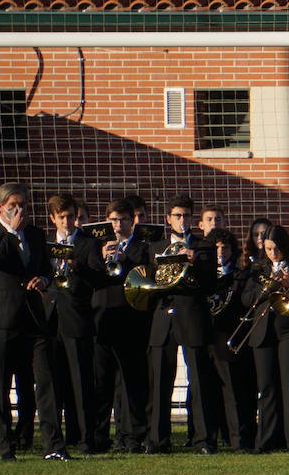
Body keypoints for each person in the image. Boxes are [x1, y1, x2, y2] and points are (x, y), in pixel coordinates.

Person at [0, 182, 69, 461]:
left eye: (23, 205)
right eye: (13, 205)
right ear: (1, 207)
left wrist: (44, 280)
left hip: (34, 318)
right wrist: (11, 232)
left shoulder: (35, 235)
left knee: (46, 379)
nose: (19, 210)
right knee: (0, 385)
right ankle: (4, 446)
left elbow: (46, 270)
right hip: (2, 318)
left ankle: (54, 446)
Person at [145, 195, 220, 454]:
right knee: (160, 383)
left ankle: (204, 440)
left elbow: (211, 284)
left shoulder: (205, 248)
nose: (182, 220)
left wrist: (194, 260)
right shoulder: (156, 248)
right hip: (164, 318)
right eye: (177, 216)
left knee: (200, 381)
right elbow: (148, 285)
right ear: (168, 219)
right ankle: (157, 441)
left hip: (192, 318)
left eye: (186, 216)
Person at [240, 224, 289, 453]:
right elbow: (246, 299)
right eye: (269, 249)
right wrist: (268, 287)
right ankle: (265, 442)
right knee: (266, 387)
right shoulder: (258, 267)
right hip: (264, 330)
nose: (273, 254)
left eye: (276, 249)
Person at [45, 192, 106, 454]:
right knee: (55, 381)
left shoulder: (87, 243)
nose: (67, 222)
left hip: (77, 318)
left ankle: (85, 438)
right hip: (50, 320)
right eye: (62, 218)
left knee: (81, 381)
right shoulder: (46, 244)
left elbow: (99, 278)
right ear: (53, 219)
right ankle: (59, 438)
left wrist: (77, 266)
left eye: (70, 217)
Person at [91, 198, 152, 453]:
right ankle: (99, 437)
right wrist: (102, 256)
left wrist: (123, 257)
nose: (118, 224)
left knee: (131, 383)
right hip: (103, 320)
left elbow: (144, 274)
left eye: (123, 219)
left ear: (132, 221)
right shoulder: (97, 246)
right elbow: (90, 275)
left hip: (130, 321)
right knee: (102, 383)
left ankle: (132, 437)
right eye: (114, 220)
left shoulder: (141, 248)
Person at [203, 228, 257, 453]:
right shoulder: (203, 274)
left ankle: (238, 440)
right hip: (205, 336)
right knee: (206, 390)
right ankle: (209, 439)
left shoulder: (240, 275)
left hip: (227, 337)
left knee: (232, 390)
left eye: (225, 248)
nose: (221, 253)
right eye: (216, 249)